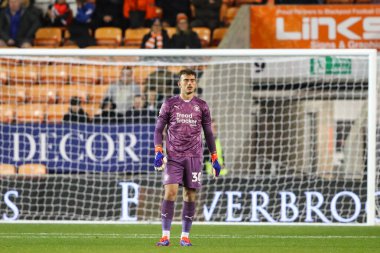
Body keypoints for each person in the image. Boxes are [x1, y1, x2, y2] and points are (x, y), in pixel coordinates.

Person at [154, 69, 222, 246]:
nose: (189, 83)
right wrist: (158, 150)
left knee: (190, 195)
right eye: (186, 80)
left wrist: (214, 157)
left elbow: (208, 133)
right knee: (170, 192)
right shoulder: (169, 104)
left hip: (194, 157)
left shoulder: (202, 106)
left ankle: (185, 236)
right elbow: (158, 130)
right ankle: (165, 235)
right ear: (179, 83)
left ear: (196, 83)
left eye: (192, 80)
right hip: (174, 156)